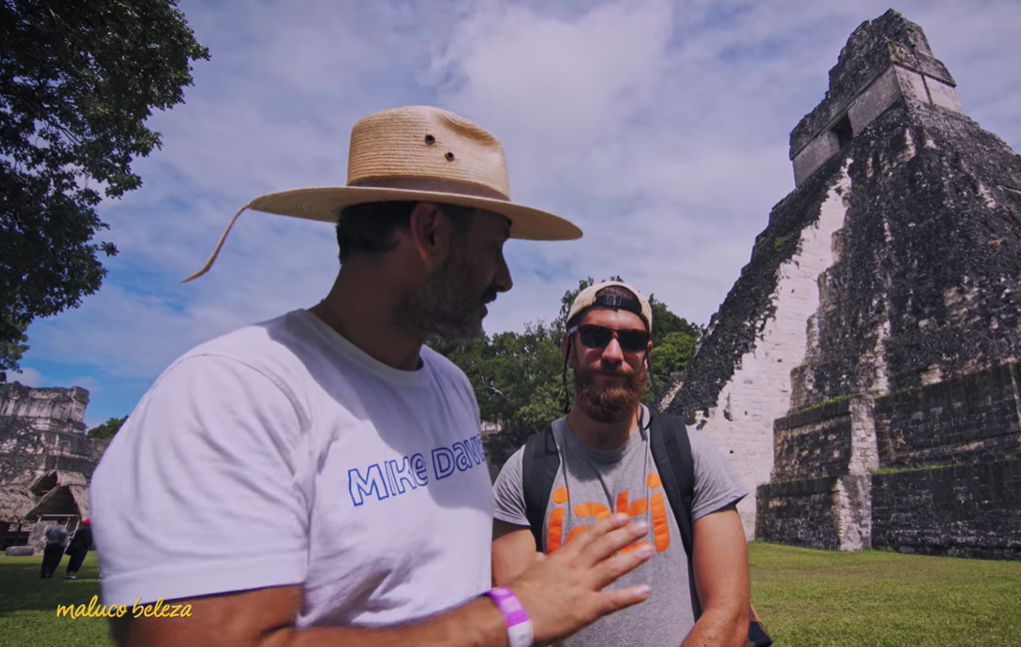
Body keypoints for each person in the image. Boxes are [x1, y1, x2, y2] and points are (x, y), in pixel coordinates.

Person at [90, 106, 655, 647]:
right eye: (493, 249)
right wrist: (508, 618)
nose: (504, 280)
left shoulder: (450, 386)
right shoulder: (231, 394)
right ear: (429, 232)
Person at [490, 281, 755, 647]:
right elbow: (515, 625)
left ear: (645, 354)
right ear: (569, 347)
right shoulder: (523, 474)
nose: (613, 353)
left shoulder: (689, 454)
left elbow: (729, 611)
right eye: (596, 335)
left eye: (630, 341)